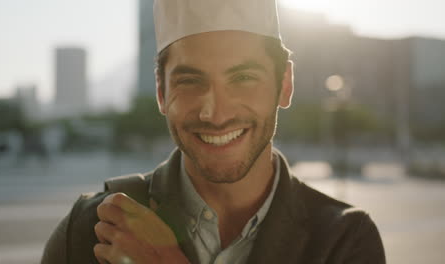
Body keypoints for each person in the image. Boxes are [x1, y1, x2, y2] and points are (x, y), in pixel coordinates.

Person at [42, 0, 386, 263]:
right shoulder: (91, 230)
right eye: (190, 81)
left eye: (243, 78)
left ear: (285, 84)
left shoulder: (344, 240)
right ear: (162, 94)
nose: (215, 113)